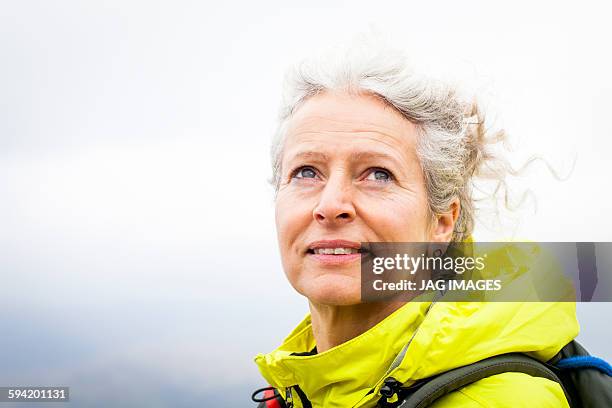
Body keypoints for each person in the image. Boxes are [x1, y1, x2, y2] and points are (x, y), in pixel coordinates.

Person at [252, 38, 578, 407]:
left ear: (442, 222)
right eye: (306, 171)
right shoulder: (304, 387)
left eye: (377, 174)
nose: (330, 205)